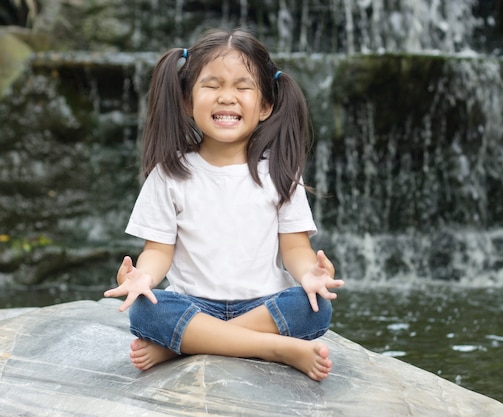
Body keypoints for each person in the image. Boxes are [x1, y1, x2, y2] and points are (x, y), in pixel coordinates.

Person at [104, 29, 344, 382]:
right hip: (193, 303)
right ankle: (276, 347)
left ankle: (183, 344)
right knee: (145, 309)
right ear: (187, 101)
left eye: (242, 87)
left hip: (263, 303)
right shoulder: (170, 173)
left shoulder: (278, 172)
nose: (226, 98)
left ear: (265, 106)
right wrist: (143, 277)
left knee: (314, 307)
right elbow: (158, 250)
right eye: (212, 86)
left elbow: (295, 247)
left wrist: (310, 274)